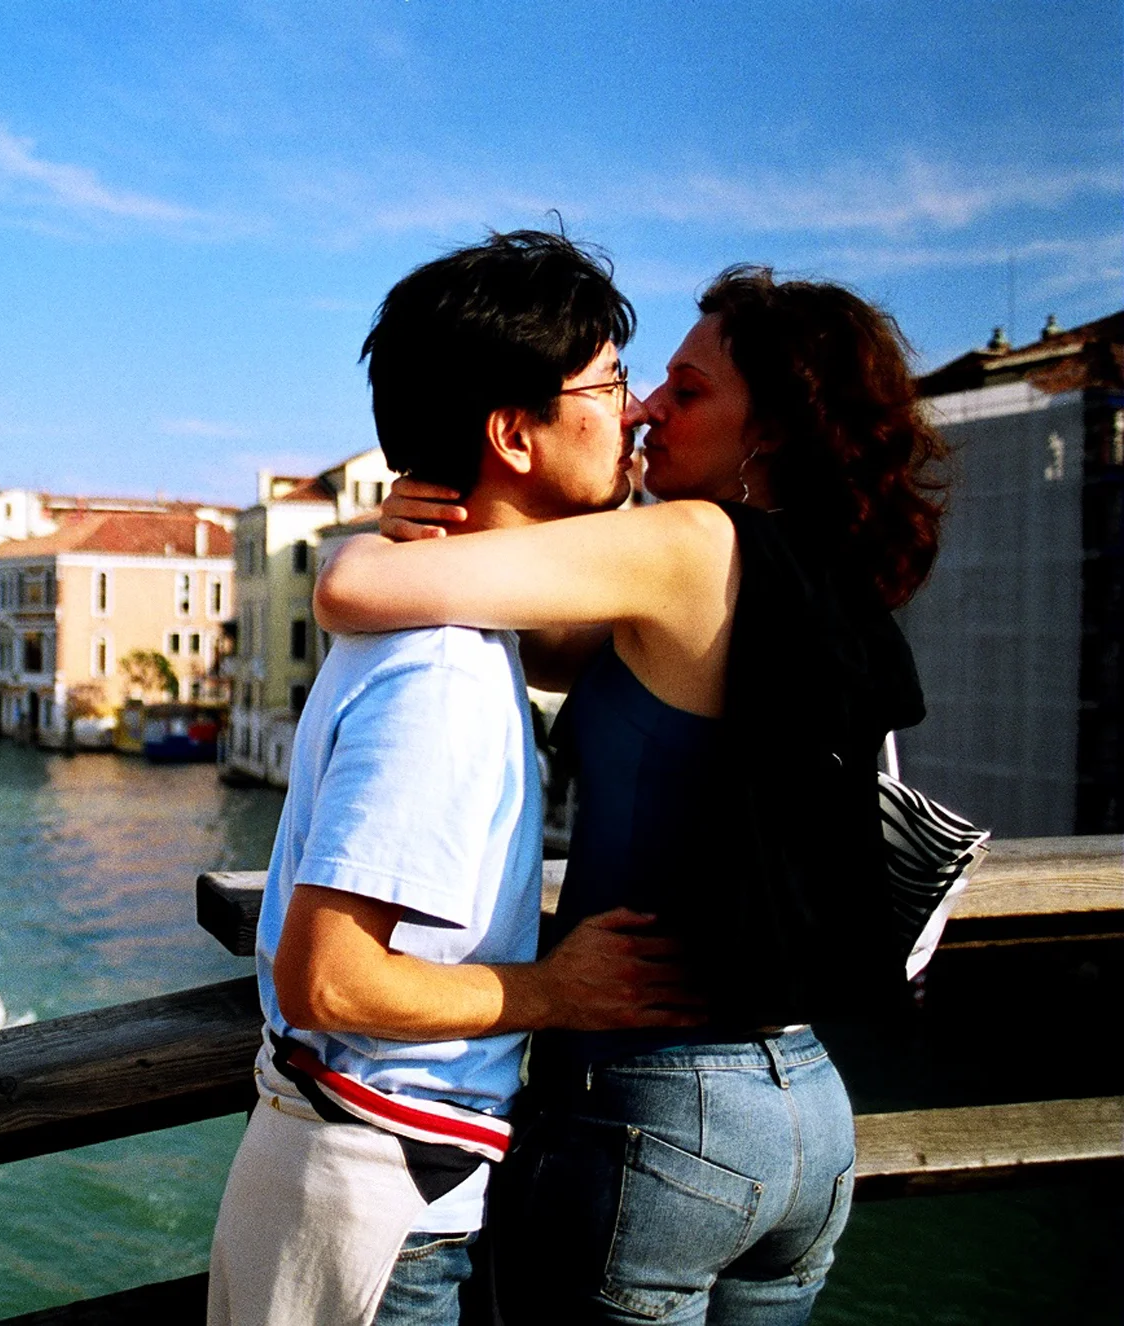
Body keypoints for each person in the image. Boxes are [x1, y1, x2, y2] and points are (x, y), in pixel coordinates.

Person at [315, 266, 947, 1323]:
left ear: (771, 428)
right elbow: (557, 650)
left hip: (658, 1096)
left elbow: (347, 592)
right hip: (800, 1107)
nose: (648, 406)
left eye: (687, 391)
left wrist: (371, 537)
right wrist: (460, 516)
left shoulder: (689, 544)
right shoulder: (815, 571)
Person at [206, 232, 703, 1326]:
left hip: (367, 1181)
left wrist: (356, 557)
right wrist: (554, 993)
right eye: (610, 383)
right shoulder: (438, 672)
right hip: (379, 1211)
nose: (630, 410)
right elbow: (327, 982)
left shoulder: (456, 628)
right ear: (513, 433)